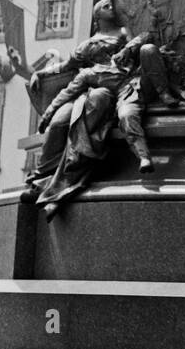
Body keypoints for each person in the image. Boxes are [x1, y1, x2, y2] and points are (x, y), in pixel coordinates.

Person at [23, 38, 172, 216]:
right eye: (97, 47)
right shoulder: (89, 73)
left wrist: (129, 49)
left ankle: (52, 187)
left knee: (91, 120)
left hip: (129, 93)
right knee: (76, 124)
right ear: (93, 56)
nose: (103, 46)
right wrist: (47, 110)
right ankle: (49, 181)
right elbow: (66, 84)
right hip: (111, 101)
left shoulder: (122, 54)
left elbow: (146, 35)